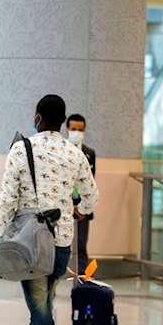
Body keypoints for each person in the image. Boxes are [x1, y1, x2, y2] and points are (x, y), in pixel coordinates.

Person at [0, 94, 98, 325]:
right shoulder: (75, 152)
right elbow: (92, 196)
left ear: (38, 118)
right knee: (43, 302)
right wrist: (78, 211)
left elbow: (8, 198)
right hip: (62, 241)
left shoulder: (21, 148)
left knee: (40, 307)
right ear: (63, 121)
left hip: (30, 240)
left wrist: (5, 232)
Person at [65, 113, 96, 274]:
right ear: (66, 129)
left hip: (81, 207)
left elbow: (91, 182)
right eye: (73, 129)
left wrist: (85, 207)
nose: (76, 132)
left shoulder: (89, 153)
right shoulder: (61, 152)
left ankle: (82, 278)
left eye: (80, 129)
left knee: (81, 243)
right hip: (63, 205)